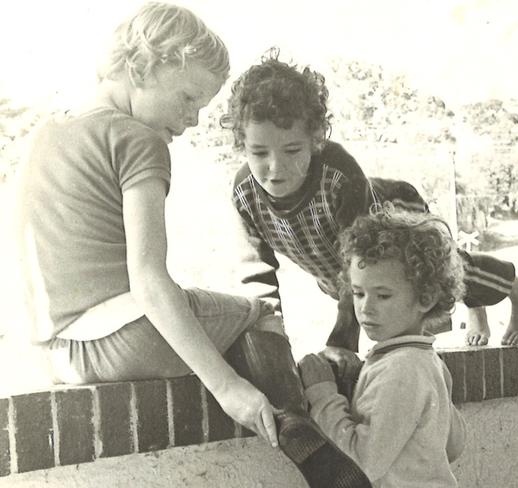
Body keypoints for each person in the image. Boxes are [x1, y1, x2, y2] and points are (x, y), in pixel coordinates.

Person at [15, 4, 370, 487]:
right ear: (143, 66)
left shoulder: (45, 131)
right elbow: (149, 280)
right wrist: (227, 389)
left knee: (207, 325)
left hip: (56, 353)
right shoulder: (137, 139)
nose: (194, 118)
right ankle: (301, 434)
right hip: (119, 341)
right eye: (187, 96)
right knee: (256, 313)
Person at [221, 49, 518, 362]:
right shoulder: (244, 194)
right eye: (259, 153)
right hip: (335, 267)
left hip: (390, 217)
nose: (275, 168)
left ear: (316, 138)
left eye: (291, 150)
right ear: (242, 145)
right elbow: (257, 278)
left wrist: (343, 342)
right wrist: (270, 349)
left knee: (443, 272)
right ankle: (475, 305)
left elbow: (360, 261)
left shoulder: (339, 175)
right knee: (383, 293)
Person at [298, 209, 467, 487]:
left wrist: (323, 394)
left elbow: (364, 464)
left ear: (425, 299)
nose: (366, 308)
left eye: (383, 295)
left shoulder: (401, 370)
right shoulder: (426, 361)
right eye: (358, 293)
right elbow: (453, 446)